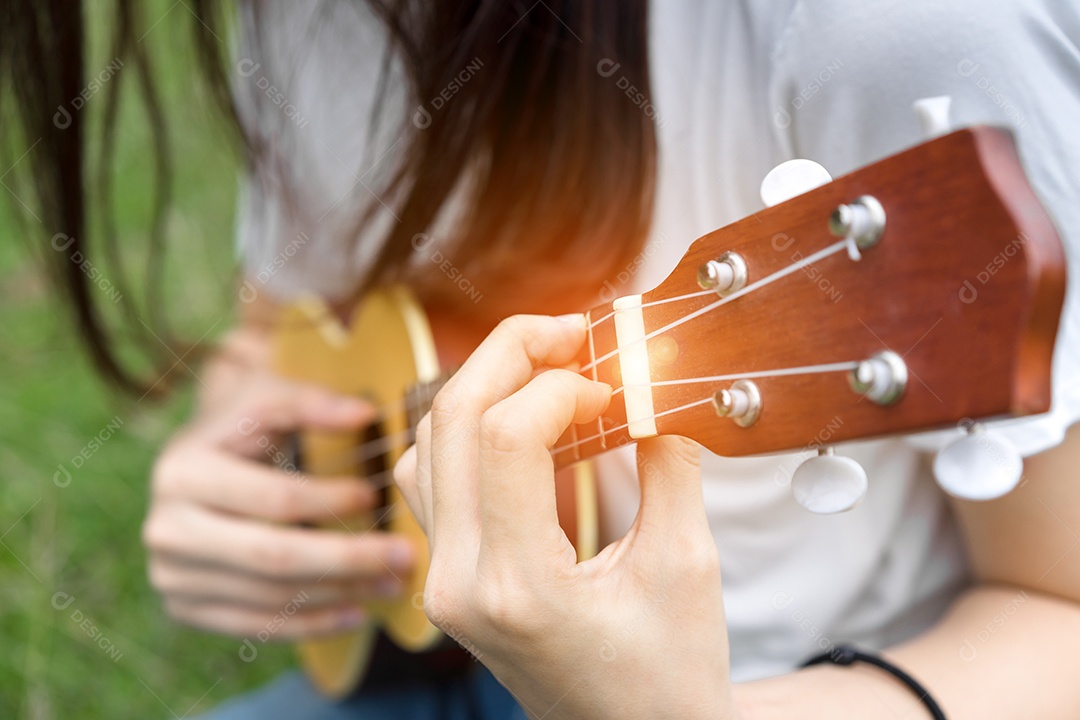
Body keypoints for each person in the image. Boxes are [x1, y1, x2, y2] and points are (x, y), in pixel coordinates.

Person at [7, 0, 1080, 718]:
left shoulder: (893, 33)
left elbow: (1062, 620)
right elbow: (270, 328)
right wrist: (241, 484)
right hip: (418, 667)